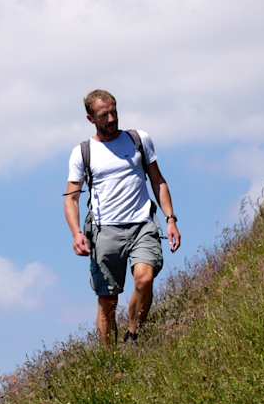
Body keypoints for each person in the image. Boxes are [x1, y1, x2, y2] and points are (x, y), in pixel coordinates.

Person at [63, 89, 181, 347]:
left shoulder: (139, 139)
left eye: (114, 111)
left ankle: (133, 334)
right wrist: (76, 234)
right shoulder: (83, 152)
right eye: (104, 115)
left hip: (142, 225)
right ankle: (110, 360)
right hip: (105, 232)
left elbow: (158, 180)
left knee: (145, 278)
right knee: (108, 301)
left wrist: (171, 219)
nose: (112, 119)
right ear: (90, 119)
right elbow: (71, 198)